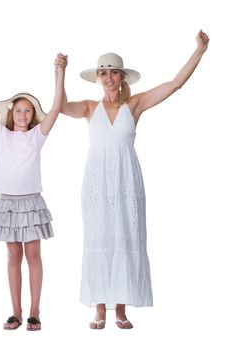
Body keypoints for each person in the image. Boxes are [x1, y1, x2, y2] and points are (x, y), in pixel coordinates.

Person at [61, 30, 209, 329]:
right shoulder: (90, 107)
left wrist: (199, 51)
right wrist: (59, 73)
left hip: (127, 181)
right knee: (99, 238)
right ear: (98, 78)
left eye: (113, 72)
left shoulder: (134, 105)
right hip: (96, 183)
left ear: (122, 77)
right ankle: (100, 309)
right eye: (103, 72)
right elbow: (61, 107)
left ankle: (121, 310)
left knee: (125, 236)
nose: (108, 77)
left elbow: (174, 84)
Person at [0, 53, 67, 331]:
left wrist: (59, 72)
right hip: (8, 204)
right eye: (18, 110)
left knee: (33, 255)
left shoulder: (37, 135)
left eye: (27, 110)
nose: (23, 114)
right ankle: (16, 311)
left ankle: (35, 311)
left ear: (33, 115)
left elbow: (58, 105)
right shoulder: (2, 134)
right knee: (13, 256)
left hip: (32, 202)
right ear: (10, 114)